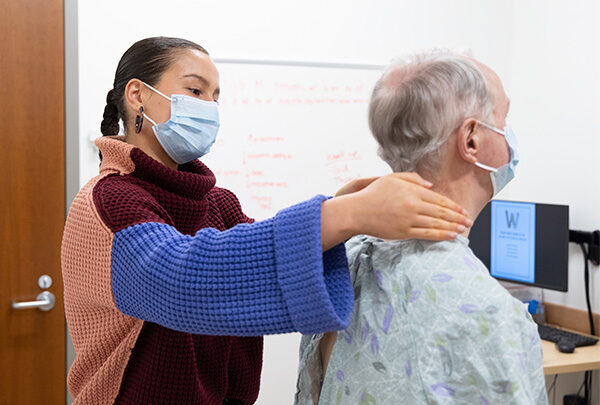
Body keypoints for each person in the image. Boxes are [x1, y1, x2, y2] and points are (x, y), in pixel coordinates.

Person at [61, 37, 471, 405]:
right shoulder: (105, 201)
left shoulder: (218, 204)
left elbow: (257, 260)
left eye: (215, 96)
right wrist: (346, 214)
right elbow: (183, 282)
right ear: (137, 95)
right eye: (194, 90)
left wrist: (344, 206)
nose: (208, 107)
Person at [295, 51, 548, 404]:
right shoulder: (490, 314)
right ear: (471, 139)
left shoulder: (340, 261)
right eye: (503, 120)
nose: (509, 137)